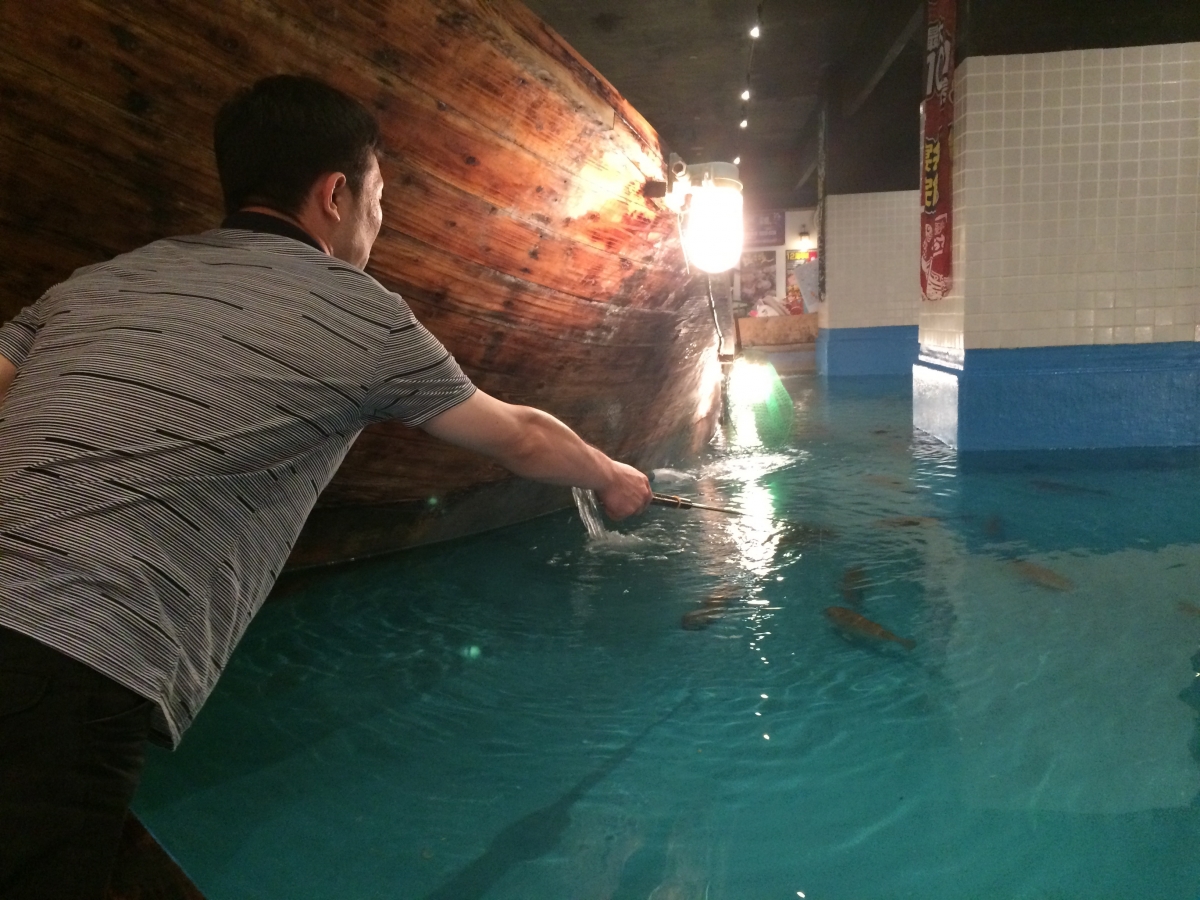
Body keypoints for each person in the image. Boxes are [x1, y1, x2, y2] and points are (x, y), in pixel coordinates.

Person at [0, 74, 651, 899]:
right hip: (72, 655)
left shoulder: (97, 281)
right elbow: (520, 436)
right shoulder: (361, 316)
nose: (377, 221)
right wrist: (610, 474)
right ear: (336, 195)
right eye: (378, 200)